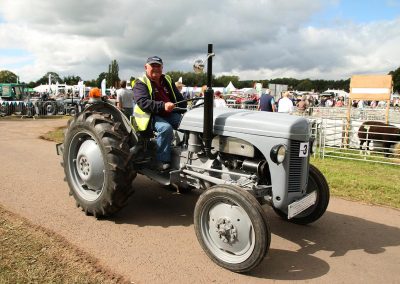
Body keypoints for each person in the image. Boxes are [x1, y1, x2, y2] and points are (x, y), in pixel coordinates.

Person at [133, 56, 186, 171]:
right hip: (150, 116)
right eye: (153, 66)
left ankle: (185, 153)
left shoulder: (166, 79)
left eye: (158, 66)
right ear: (146, 67)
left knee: (188, 123)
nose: (156, 68)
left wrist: (185, 107)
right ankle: (161, 160)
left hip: (168, 113)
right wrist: (163, 105)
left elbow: (178, 97)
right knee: (165, 128)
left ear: (162, 67)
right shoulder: (140, 82)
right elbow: (143, 103)